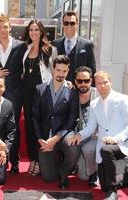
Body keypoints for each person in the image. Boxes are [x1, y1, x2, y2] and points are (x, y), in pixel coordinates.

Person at [67, 71, 128, 200]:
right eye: (99, 83)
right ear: (95, 85)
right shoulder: (94, 104)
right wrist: (79, 135)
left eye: (105, 82)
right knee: (104, 186)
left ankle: (113, 193)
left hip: (121, 143)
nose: (102, 86)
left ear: (110, 82)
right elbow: (91, 127)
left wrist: (116, 139)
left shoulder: (123, 99)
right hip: (103, 147)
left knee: (107, 151)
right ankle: (127, 176)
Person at [32, 55, 79, 190]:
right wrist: (41, 139)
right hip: (45, 137)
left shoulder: (72, 91)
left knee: (73, 148)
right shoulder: (40, 89)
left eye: (64, 71)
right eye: (58, 70)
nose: (61, 74)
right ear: (52, 69)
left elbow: (72, 118)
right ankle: (57, 161)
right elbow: (35, 117)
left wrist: (57, 137)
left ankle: (64, 173)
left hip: (63, 134)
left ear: (68, 71)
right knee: (48, 177)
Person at [0, 14, 26, 174]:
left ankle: (14, 160)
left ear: (10, 28)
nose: (3, 30)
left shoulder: (21, 46)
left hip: (15, 93)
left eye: (5, 27)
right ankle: (0, 159)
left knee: (13, 127)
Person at [22, 19, 58, 176]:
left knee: (42, 127)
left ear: (42, 32)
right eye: (31, 30)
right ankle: (33, 160)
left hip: (43, 93)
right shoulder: (26, 49)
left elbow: (57, 71)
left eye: (36, 29)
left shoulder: (50, 50)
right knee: (30, 127)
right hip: (27, 94)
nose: (34, 32)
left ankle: (42, 160)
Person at [65, 66, 99, 186]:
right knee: (83, 176)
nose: (83, 84)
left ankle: (95, 173)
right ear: (75, 81)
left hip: (95, 136)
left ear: (91, 81)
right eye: (79, 81)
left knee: (87, 149)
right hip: (78, 136)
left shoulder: (98, 94)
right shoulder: (71, 94)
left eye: (86, 81)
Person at [52, 10, 96, 83]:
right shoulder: (55, 44)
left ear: (77, 24)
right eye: (66, 23)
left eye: (72, 23)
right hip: (60, 88)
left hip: (79, 89)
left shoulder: (87, 44)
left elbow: (92, 71)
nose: (69, 26)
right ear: (63, 24)